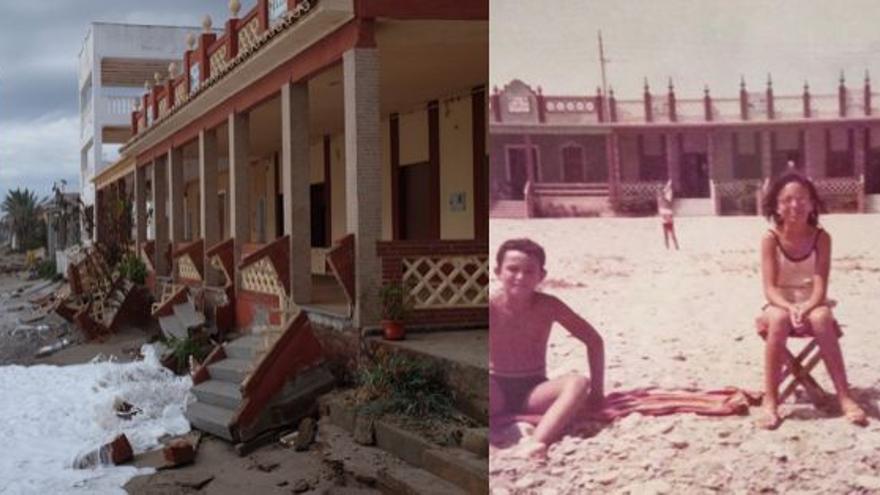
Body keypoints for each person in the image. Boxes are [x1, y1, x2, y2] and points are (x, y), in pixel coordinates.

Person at [757, 173, 867, 429]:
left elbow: (820, 285)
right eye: (787, 200)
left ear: (812, 204)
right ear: (776, 206)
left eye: (801, 199)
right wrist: (789, 306)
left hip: (813, 301)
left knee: (822, 318)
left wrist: (807, 306)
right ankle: (770, 401)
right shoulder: (770, 238)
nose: (794, 205)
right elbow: (769, 289)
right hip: (779, 302)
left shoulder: (821, 238)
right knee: (779, 319)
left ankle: (844, 396)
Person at [489, 238, 605, 458]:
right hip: (495, 388)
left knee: (578, 382)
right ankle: (492, 450)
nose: (520, 277)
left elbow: (594, 340)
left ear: (541, 276)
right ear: (497, 271)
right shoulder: (490, 307)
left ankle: (536, 442)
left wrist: (597, 392)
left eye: (529, 271)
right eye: (512, 269)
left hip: (534, 392)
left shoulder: (549, 306)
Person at [658, 180, 679, 250]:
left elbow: (666, 191)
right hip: (666, 215)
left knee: (670, 233)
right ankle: (671, 246)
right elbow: (665, 190)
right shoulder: (662, 197)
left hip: (666, 215)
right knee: (668, 233)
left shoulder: (665, 197)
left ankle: (674, 246)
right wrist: (668, 184)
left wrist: (669, 184)